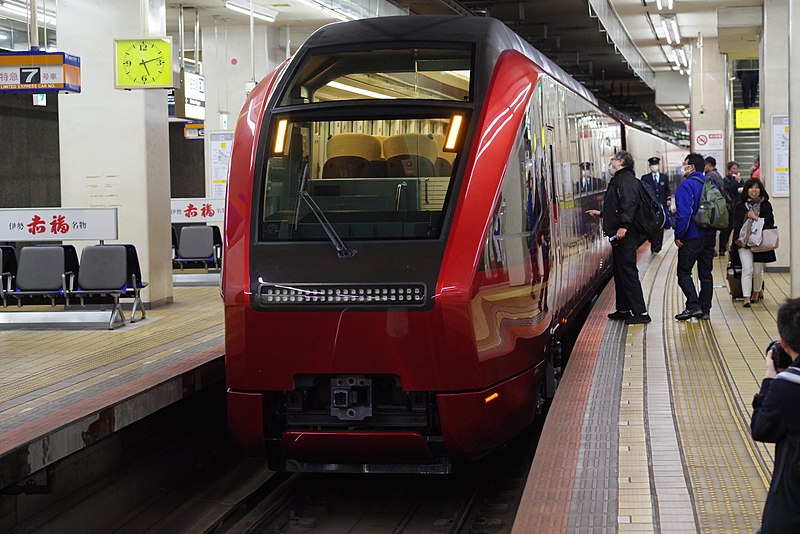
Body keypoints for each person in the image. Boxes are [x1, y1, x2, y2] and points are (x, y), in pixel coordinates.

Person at [750, 297, 800, 533]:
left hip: (791, 500)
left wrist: (770, 380)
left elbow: (761, 429)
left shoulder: (786, 386)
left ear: (784, 342)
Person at [586, 150, 651, 325]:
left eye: (613, 160)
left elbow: (628, 204)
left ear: (621, 162)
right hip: (619, 234)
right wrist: (601, 214)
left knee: (628, 272)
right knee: (620, 272)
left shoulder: (626, 180)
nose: (611, 162)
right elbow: (616, 207)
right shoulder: (621, 179)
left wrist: (624, 225)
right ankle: (623, 309)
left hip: (625, 235)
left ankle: (641, 312)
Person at [673, 153, 716, 321]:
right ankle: (705, 310)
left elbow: (684, 214)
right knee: (706, 274)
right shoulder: (709, 183)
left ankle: (693, 306)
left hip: (692, 236)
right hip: (709, 235)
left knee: (683, 273)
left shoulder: (686, 186)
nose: (683, 167)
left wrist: (679, 235)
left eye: (685, 164)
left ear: (691, 167)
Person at [731, 178, 776, 307]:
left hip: (759, 243)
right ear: (746, 190)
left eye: (757, 187)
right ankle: (746, 297)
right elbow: (736, 225)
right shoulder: (740, 205)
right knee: (747, 269)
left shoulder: (766, 205)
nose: (754, 190)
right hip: (743, 243)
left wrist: (755, 218)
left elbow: (769, 223)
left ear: (760, 190)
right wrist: (737, 241)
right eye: (751, 188)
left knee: (757, 271)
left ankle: (756, 292)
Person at [640, 156, 671, 254]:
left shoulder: (664, 177)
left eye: (656, 164)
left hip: (661, 206)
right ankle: (652, 241)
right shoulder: (645, 178)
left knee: (660, 225)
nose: (654, 166)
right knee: (652, 225)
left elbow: (667, 190)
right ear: (649, 166)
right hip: (650, 208)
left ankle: (657, 246)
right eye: (652, 165)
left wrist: (668, 199)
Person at [704, 156, 728, 256]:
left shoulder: (709, 176)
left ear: (709, 165)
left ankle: (713, 250)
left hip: (713, 207)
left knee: (712, 230)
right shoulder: (717, 174)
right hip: (720, 206)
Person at [719, 161, 741, 255]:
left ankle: (734, 248)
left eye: (737, 168)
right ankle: (722, 248)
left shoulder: (739, 179)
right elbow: (730, 189)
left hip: (738, 207)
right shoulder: (725, 180)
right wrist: (737, 182)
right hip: (729, 208)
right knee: (726, 229)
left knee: (737, 228)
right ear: (728, 170)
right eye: (733, 169)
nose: (735, 171)